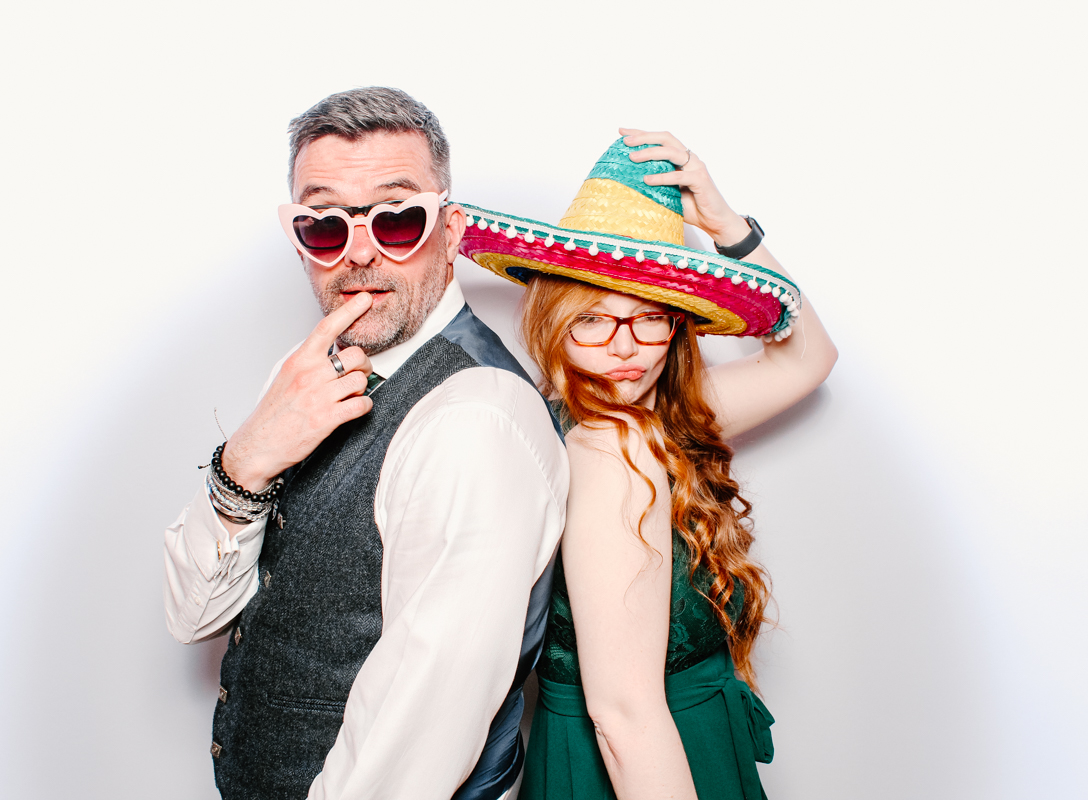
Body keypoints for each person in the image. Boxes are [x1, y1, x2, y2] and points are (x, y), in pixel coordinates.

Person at [162, 87, 568, 800]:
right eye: (324, 226)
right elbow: (194, 613)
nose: (358, 254)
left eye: (398, 219)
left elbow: (418, 732)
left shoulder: (476, 417)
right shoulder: (302, 381)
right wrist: (248, 454)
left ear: (451, 232)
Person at [459, 129, 838, 800]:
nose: (624, 348)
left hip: (676, 742)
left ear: (677, 326)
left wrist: (726, 224)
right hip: (648, 764)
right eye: (593, 321)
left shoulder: (643, 418)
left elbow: (810, 359)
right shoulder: (611, 447)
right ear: (553, 322)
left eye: (649, 319)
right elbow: (625, 716)